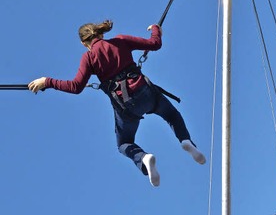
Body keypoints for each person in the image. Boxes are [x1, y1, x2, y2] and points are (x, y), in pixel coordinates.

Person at [28, 19, 205, 187]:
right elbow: (155, 44)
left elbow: (75, 87)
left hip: (125, 106)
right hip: (145, 92)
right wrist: (156, 29)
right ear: (101, 34)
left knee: (123, 143)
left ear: (84, 43)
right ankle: (186, 141)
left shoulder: (88, 58)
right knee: (172, 115)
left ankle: (143, 158)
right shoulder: (120, 40)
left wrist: (47, 81)